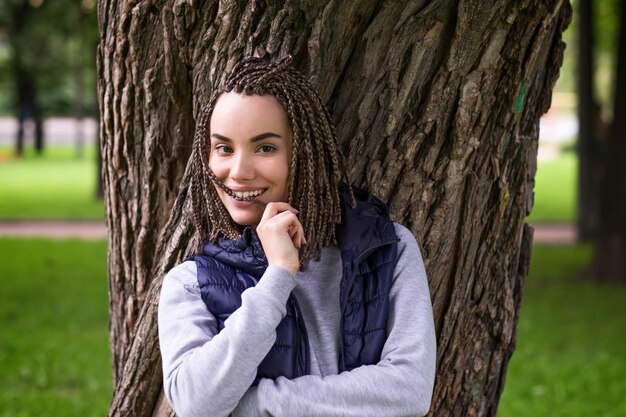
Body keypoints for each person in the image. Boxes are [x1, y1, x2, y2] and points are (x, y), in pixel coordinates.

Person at [158, 55, 437, 417]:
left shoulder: (386, 249)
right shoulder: (191, 284)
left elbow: (408, 392)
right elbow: (197, 403)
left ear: (303, 154)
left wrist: (255, 404)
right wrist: (277, 278)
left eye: (265, 147)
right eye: (224, 148)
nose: (239, 171)